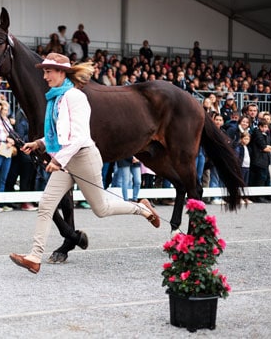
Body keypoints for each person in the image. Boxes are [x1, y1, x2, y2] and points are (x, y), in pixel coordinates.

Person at [9, 53, 159, 274]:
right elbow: (60, 134)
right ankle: (34, 256)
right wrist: (39, 143)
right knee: (46, 205)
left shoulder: (75, 97)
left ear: (61, 72)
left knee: (102, 209)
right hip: (66, 159)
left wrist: (57, 160)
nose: (44, 76)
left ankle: (141, 208)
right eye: (44, 71)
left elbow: (78, 137)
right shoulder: (56, 98)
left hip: (83, 157)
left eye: (48, 71)